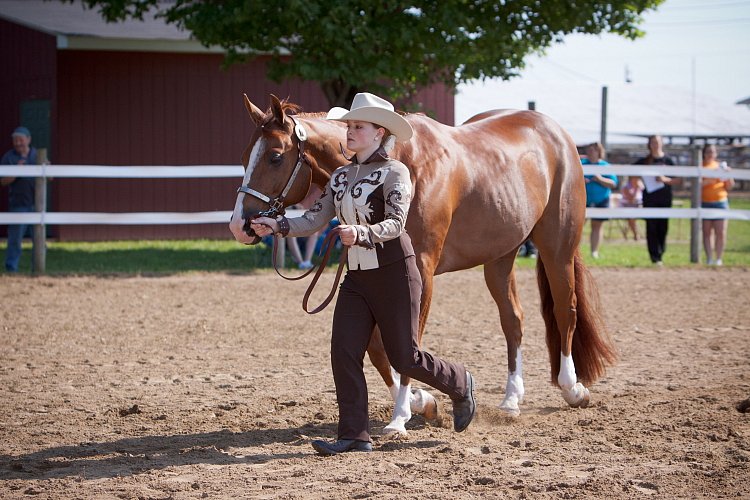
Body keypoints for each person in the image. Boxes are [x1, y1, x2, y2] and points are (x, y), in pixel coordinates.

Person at [250, 92, 476, 455]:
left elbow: (397, 223)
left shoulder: (395, 173)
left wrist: (360, 233)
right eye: (349, 125)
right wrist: (275, 225)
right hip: (357, 278)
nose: (349, 132)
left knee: (405, 357)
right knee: (344, 351)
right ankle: (354, 435)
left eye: (358, 126)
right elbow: (314, 218)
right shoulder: (340, 177)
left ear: (379, 133)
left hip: (394, 274)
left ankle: (460, 382)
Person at [634, 135, 679, 265]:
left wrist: (665, 180)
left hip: (665, 198)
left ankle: (661, 252)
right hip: (650, 199)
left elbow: (678, 179)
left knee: (663, 227)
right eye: (653, 142)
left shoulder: (668, 160)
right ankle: (654, 256)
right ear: (649, 144)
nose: (655, 144)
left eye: (657, 142)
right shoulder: (645, 160)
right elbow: (631, 173)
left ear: (662, 143)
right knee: (651, 227)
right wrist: (639, 183)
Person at [1, 126, 38, 272]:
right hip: (18, 204)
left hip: (36, 204)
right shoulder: (9, 157)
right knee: (15, 239)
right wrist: (17, 171)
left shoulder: (37, 155)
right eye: (15, 140)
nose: (18, 143)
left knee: (39, 239)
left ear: (28, 140)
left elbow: (51, 177)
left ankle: (38, 268)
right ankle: (11, 268)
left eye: (20, 139)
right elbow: (3, 181)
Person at [582, 142, 617, 259]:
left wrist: (600, 179)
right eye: (589, 150)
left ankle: (594, 252)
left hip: (601, 200)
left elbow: (613, 183)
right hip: (584, 200)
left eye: (593, 150)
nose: (590, 152)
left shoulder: (605, 166)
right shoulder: (582, 164)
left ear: (599, 152)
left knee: (596, 226)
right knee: (578, 226)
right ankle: (574, 252)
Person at [701, 144, 734, 266]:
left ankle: (719, 258)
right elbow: (697, 186)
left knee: (720, 232)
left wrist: (728, 175)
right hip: (706, 203)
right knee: (706, 232)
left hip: (721, 202)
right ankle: (709, 258)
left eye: (712, 152)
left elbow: (729, 186)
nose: (710, 154)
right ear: (704, 153)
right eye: (708, 152)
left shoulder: (720, 167)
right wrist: (712, 177)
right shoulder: (701, 167)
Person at [286, 185, 324, 269]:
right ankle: (300, 263)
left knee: (314, 232)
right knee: (290, 234)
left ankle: (307, 261)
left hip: (302, 230)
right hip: (288, 231)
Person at [619, 175, 644, 240]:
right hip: (626, 208)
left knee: (632, 216)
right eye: (636, 178)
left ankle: (636, 234)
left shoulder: (641, 186)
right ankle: (636, 235)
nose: (638, 180)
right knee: (631, 217)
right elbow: (631, 200)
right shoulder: (626, 187)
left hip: (638, 208)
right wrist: (636, 188)